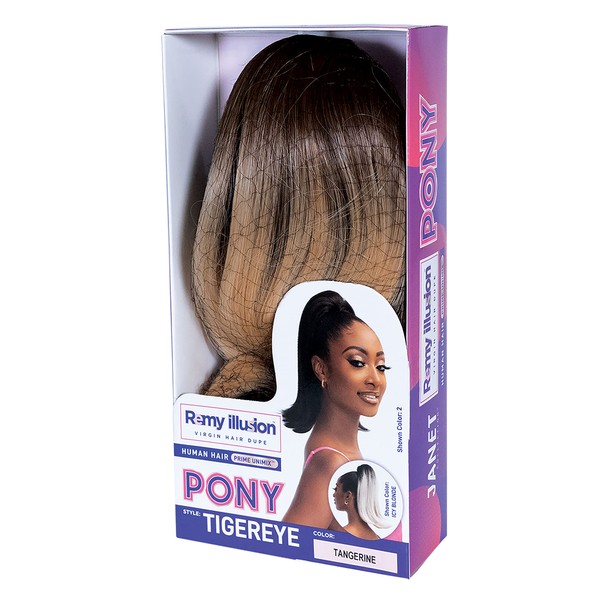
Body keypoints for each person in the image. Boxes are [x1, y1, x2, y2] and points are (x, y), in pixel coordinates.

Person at [282, 290, 390, 528]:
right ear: (321, 369)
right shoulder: (330, 463)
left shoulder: (338, 455)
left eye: (381, 367)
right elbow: (287, 542)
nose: (376, 380)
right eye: (358, 363)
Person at [332, 464, 390, 540]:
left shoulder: (341, 536)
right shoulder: (376, 537)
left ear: (348, 496)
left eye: (336, 489)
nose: (333, 494)